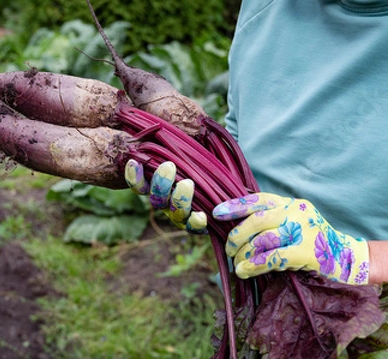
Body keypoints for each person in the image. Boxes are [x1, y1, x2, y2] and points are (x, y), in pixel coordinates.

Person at [125, 0, 388, 285]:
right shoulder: (266, 5)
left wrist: (360, 259)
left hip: (374, 308)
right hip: (257, 289)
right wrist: (209, 189)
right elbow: (244, 126)